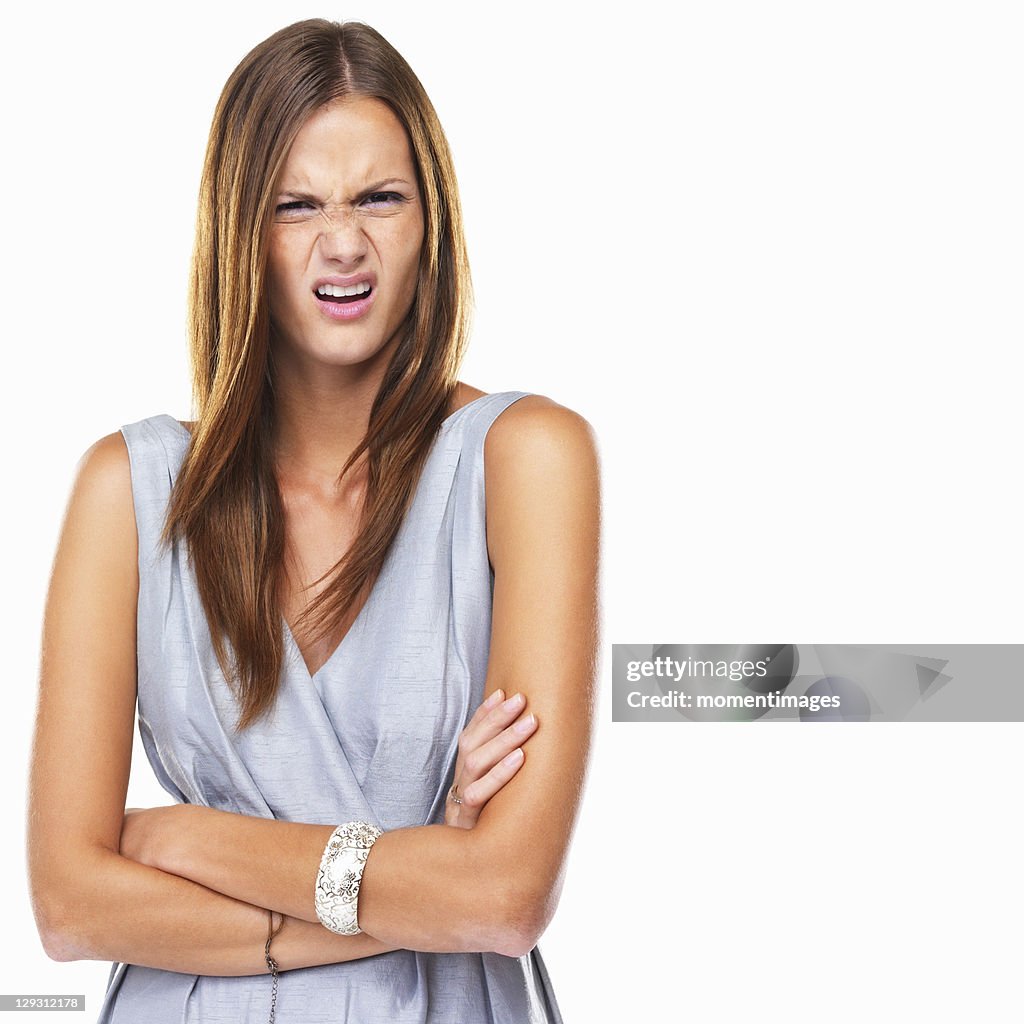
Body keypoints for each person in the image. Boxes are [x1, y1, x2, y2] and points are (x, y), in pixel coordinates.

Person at [26, 17, 599, 1024]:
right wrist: (411, 891)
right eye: (297, 205)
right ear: (241, 231)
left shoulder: (527, 460)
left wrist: (187, 840)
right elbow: (69, 904)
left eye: (381, 197)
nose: (345, 243)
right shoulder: (126, 488)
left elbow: (505, 898)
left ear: (434, 222)